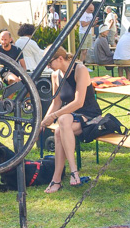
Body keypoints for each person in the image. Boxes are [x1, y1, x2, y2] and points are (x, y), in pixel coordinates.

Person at [41, 46, 102, 193]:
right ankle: (59, 179)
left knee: (62, 122)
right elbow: (56, 103)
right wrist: (43, 122)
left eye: (49, 63)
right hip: (71, 118)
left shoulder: (80, 70)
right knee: (59, 130)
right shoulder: (55, 75)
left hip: (91, 116)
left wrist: (53, 116)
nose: (48, 67)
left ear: (60, 58)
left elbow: (79, 102)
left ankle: (70, 173)